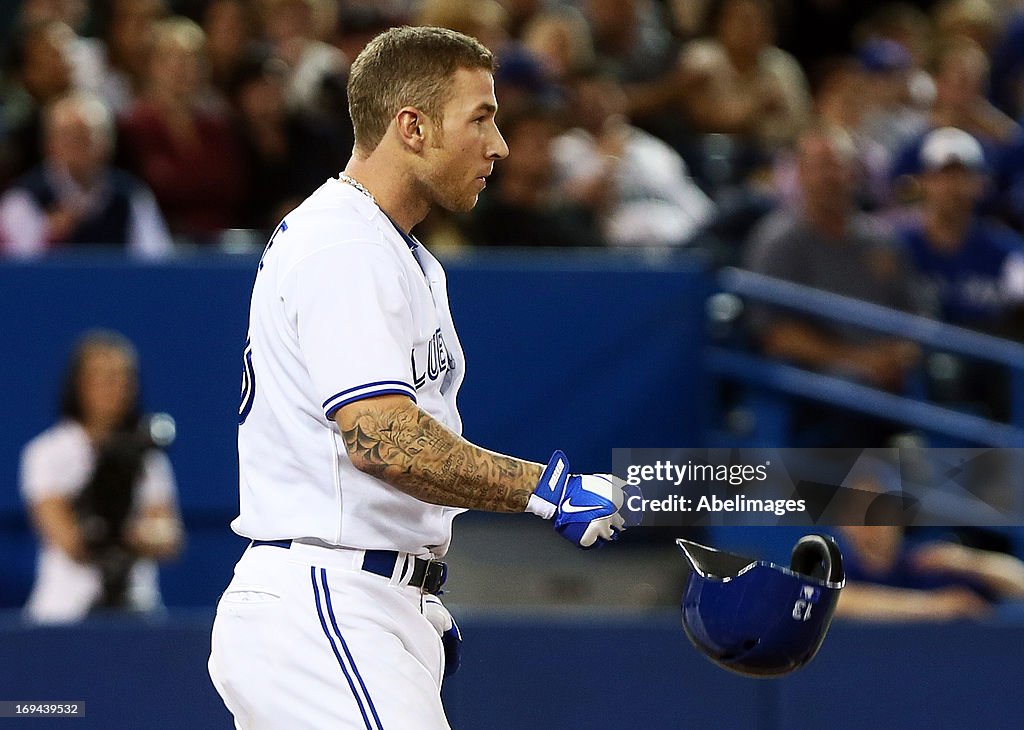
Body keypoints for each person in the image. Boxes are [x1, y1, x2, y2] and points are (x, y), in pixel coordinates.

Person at [207, 26, 626, 730]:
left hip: (356, 602)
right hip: (330, 597)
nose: (500, 146)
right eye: (481, 119)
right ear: (412, 127)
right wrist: (544, 491)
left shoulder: (390, 247)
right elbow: (382, 439)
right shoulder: (345, 244)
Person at [19, 330, 183, 624]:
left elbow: (168, 538)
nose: (116, 388)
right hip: (63, 615)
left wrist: (124, 533)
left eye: (124, 377)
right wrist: (129, 533)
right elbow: (69, 540)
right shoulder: (46, 452)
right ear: (78, 383)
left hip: (139, 612)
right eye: (104, 377)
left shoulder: (148, 457)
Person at [0, 92, 172, 258]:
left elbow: (156, 258)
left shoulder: (131, 195)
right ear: (49, 144)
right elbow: (14, 266)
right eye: (69, 137)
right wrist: (48, 236)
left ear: (108, 143)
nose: (78, 147)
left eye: (87, 137)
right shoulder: (23, 198)